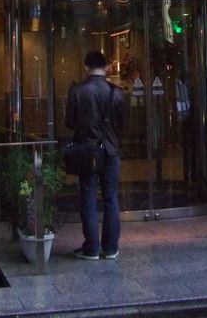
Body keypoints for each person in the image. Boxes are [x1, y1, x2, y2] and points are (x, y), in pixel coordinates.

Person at [64, 49, 126, 260]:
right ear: (106, 67)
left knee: (88, 196)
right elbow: (122, 125)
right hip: (111, 151)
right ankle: (110, 248)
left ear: (86, 68)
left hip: (87, 151)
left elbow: (69, 122)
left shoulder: (78, 91)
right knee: (111, 197)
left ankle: (91, 248)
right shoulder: (117, 92)